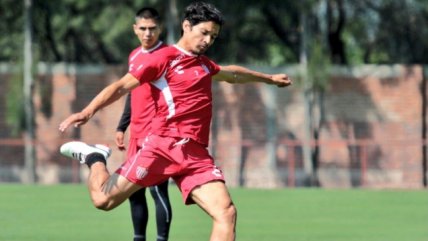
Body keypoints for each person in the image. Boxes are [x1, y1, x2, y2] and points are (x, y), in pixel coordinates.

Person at [59, 2, 292, 241]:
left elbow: (231, 74)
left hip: (195, 155)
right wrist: (88, 111)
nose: (208, 40)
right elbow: (120, 87)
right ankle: (95, 157)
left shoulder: (203, 64)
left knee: (226, 213)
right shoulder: (164, 58)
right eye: (204, 33)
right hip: (162, 148)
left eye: (214, 36)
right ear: (186, 26)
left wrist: (269, 78)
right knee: (102, 200)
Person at [115, 7, 171, 241]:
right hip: (136, 133)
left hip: (156, 134)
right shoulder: (134, 56)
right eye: (143, 29)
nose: (148, 33)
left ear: (160, 28)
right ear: (135, 29)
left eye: (152, 29)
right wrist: (122, 126)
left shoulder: (168, 55)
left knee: (157, 190)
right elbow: (131, 91)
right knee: (133, 191)